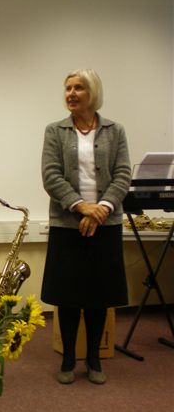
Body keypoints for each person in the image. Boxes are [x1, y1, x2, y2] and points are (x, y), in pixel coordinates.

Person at [41, 69, 131, 385]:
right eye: (68, 88)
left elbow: (123, 174)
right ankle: (68, 358)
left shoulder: (115, 131)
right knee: (68, 296)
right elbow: (51, 176)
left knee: (98, 295)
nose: (71, 93)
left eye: (78, 88)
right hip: (68, 225)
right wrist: (82, 207)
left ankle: (93, 358)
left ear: (92, 93)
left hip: (105, 224)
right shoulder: (55, 131)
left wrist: (101, 209)